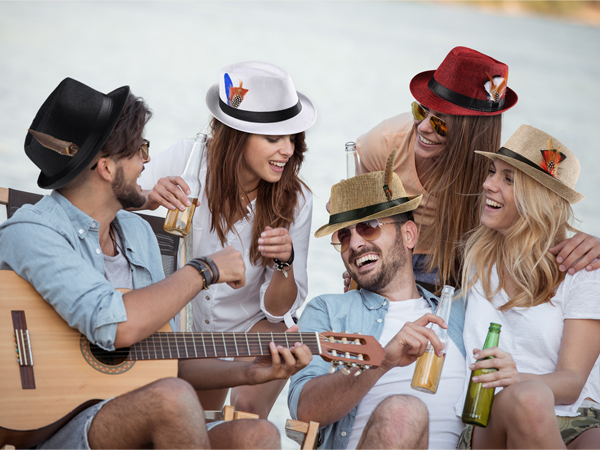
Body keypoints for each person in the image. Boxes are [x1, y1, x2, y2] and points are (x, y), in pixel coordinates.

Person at [0, 78, 312, 449]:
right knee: (172, 399)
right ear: (105, 167)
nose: (147, 161)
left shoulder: (137, 235)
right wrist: (203, 270)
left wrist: (251, 371)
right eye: (139, 150)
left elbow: (166, 357)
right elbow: (115, 324)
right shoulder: (31, 232)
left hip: (133, 410)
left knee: (258, 435)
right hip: (57, 426)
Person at [139, 61, 316, 418]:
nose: (289, 150)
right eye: (273, 138)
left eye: (292, 138)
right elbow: (117, 200)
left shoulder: (297, 200)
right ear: (238, 136)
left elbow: (278, 311)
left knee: (247, 413)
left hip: (246, 327)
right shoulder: (187, 159)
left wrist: (285, 262)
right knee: (193, 419)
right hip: (179, 324)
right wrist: (149, 196)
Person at [355, 46, 600, 292]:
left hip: (460, 272)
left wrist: (591, 246)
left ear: (471, 134)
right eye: (421, 111)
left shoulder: (495, 173)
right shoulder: (384, 143)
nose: (424, 128)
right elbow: (360, 225)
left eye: (441, 123)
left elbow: (537, 225)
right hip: (391, 263)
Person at [288, 149, 468, 449]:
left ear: (408, 235)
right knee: (403, 412)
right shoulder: (328, 310)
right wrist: (381, 361)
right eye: (344, 236)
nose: (355, 243)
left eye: (369, 227)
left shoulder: (461, 313)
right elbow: (305, 411)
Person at [456, 125, 600, 449]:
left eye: (508, 179)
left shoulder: (582, 271)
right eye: (492, 172)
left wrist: (516, 375)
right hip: (491, 416)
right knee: (530, 399)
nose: (487, 184)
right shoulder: (476, 258)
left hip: (574, 417)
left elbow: (573, 380)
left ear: (538, 198)